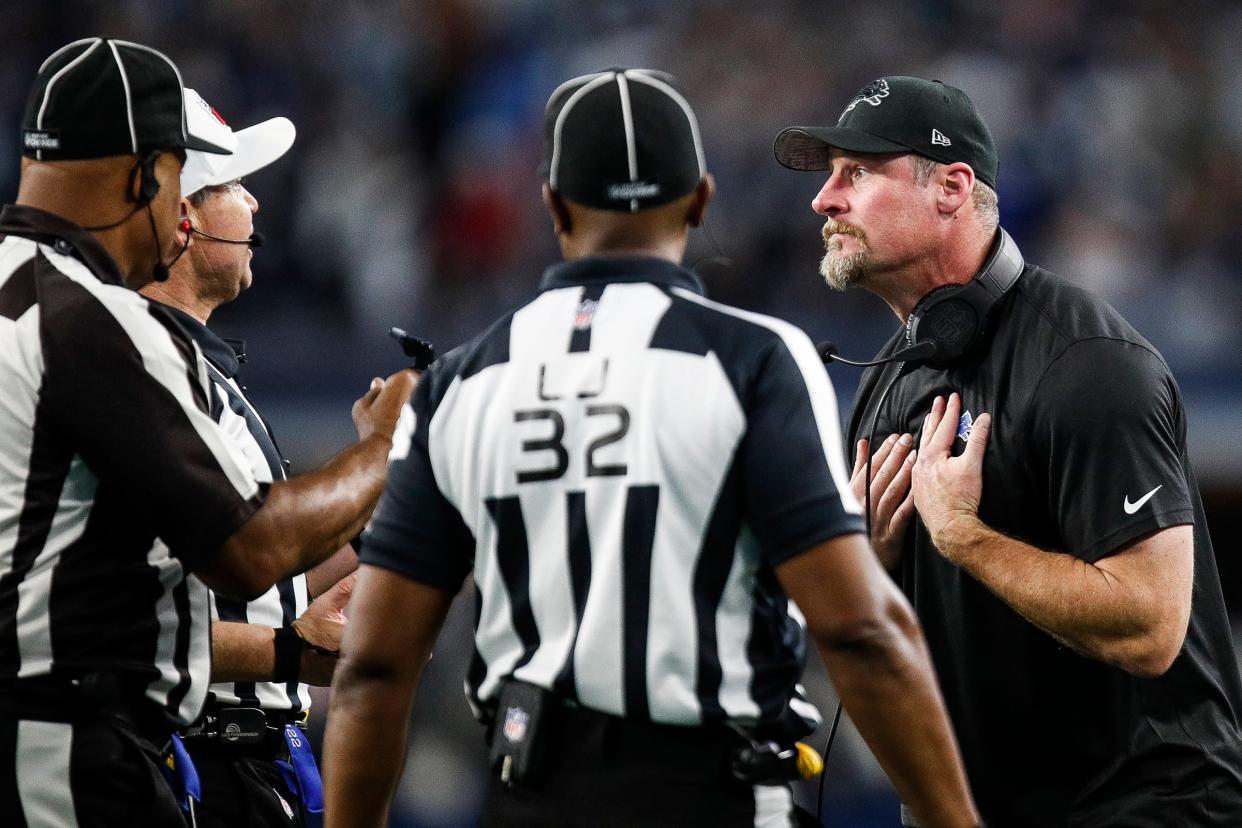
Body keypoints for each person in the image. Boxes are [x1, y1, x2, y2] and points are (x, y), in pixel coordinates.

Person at [323, 68, 979, 828]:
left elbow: (374, 666)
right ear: (700, 199)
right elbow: (859, 630)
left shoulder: (460, 384)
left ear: (552, 203)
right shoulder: (754, 361)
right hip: (711, 794)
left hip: (527, 793)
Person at [774, 75, 1242, 826]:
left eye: (856, 173)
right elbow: (884, 658)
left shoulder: (1089, 363)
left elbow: (1153, 626)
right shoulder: (887, 384)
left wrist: (965, 537)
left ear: (953, 188)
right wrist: (869, 574)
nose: (823, 201)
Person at [0, 38, 414, 827]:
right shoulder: (91, 319)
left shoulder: (25, 295)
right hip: (64, 744)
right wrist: (385, 449)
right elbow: (245, 550)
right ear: (148, 179)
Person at [138, 88, 358, 827]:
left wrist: (384, 516)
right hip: (195, 763)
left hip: (252, 762)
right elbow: (110, 620)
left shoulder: (201, 372)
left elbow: (257, 582)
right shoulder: (140, 372)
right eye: (233, 185)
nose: (255, 205)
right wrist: (290, 654)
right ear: (184, 216)